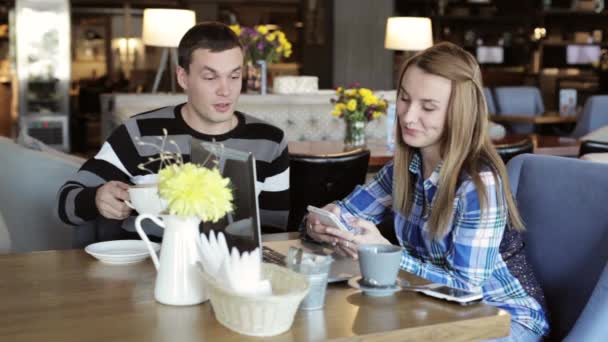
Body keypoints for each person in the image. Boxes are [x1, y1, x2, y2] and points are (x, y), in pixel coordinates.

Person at [305, 42, 549, 341]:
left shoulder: (478, 182)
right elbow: (345, 213)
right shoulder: (402, 169)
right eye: (405, 99)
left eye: (428, 107)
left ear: (460, 112)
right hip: (434, 311)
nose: (408, 116)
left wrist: (384, 253)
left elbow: (466, 287)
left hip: (502, 318)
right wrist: (321, 225)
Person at [57, 22, 290, 239]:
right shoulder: (138, 133)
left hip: (228, 274)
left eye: (234, 76)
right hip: (145, 270)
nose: (225, 90)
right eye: (210, 77)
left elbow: (273, 233)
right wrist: (96, 199)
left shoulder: (269, 141)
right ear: (183, 77)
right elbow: (66, 203)